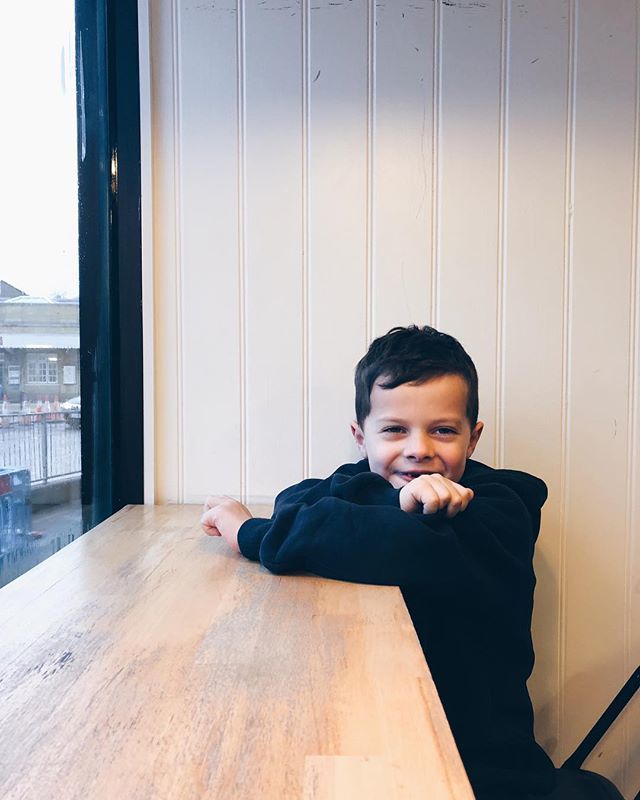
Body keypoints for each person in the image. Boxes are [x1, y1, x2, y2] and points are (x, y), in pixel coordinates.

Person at [200, 325, 576, 799]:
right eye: (395, 430)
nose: (419, 449)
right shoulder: (354, 483)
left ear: (473, 438)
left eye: (442, 430)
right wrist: (396, 501)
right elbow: (295, 505)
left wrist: (248, 532)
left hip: (481, 766)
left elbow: (404, 545)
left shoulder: (503, 506)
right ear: (361, 436)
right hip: (373, 742)